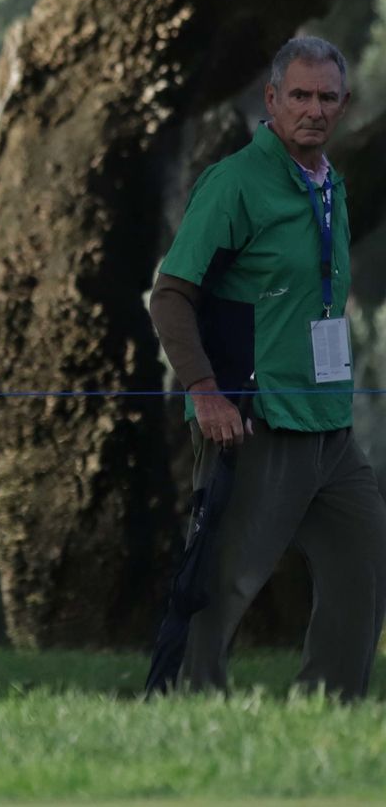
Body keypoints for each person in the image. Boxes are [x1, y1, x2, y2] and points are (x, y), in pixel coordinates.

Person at [149, 34, 386, 699]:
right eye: (301, 95)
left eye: (327, 98)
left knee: (363, 565)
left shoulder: (330, 184)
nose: (313, 109)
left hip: (330, 424)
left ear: (344, 106)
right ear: (272, 99)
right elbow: (171, 295)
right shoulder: (235, 183)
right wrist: (206, 391)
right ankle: (185, 703)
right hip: (255, 421)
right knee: (223, 585)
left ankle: (328, 708)